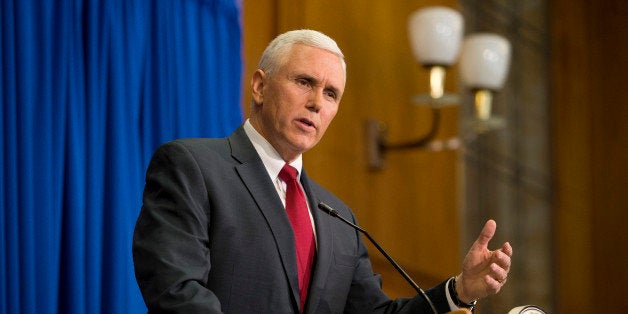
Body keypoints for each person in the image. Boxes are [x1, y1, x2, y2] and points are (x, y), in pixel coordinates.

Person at [132, 29, 512, 313]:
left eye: (331, 94)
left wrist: (459, 290)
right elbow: (175, 292)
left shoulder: (338, 218)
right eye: (304, 82)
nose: (316, 103)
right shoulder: (193, 167)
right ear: (260, 87)